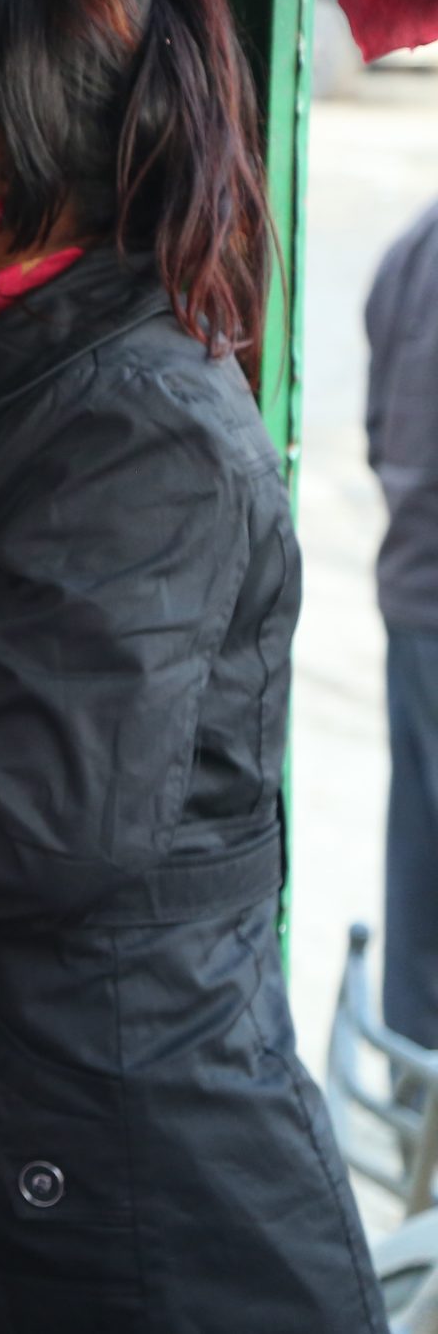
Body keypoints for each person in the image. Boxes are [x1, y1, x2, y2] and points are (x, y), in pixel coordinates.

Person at [0, 0, 382, 1332]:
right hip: (4, 1147)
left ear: (2, 165)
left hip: (128, 1201)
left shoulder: (132, 426)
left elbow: (37, 823)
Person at [373, 195, 438, 1048]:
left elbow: (377, 428)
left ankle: (411, 1073)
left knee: (420, 871)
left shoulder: (418, 242)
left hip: (414, 596)